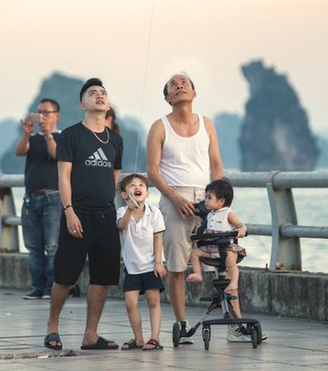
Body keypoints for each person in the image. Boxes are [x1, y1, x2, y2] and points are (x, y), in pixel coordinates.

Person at [146, 72, 227, 344]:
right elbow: (152, 172)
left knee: (222, 257)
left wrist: (218, 199)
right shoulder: (159, 127)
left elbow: (216, 163)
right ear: (168, 97)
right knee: (178, 265)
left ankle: (233, 322)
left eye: (184, 83)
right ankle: (182, 323)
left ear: (194, 93)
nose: (179, 85)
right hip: (174, 200)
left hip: (207, 198)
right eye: (172, 84)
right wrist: (173, 197)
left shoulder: (207, 124)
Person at [44, 78, 124, 351]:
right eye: (93, 93)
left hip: (106, 216)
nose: (100, 96)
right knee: (65, 276)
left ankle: (91, 335)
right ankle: (52, 328)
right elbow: (63, 177)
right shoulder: (71, 135)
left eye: (103, 92)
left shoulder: (115, 139)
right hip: (78, 214)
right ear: (83, 104)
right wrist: (69, 211)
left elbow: (114, 179)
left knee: (102, 278)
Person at [15, 98, 61, 300]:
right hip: (30, 199)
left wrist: (48, 135)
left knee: (52, 245)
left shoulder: (62, 137)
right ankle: (37, 286)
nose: (43, 116)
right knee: (33, 247)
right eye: (39, 112)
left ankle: (52, 287)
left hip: (52, 197)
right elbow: (19, 151)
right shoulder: (32, 139)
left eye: (47, 112)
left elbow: (57, 155)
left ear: (56, 115)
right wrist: (26, 134)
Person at [116, 173, 166, 351]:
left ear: (147, 193)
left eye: (141, 186)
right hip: (132, 267)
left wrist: (159, 263)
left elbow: (158, 237)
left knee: (153, 301)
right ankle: (138, 339)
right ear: (124, 195)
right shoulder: (122, 212)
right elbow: (121, 226)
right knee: (130, 303)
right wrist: (130, 210)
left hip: (150, 265)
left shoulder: (154, 213)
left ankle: (155, 338)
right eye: (131, 185)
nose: (137, 188)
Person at [186, 179, 246, 318]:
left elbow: (239, 224)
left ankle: (234, 282)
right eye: (205, 197)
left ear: (221, 201)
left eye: (209, 198)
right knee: (194, 253)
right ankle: (198, 274)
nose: (205, 201)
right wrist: (197, 236)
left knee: (230, 261)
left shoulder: (227, 213)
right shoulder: (210, 215)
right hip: (212, 248)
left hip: (227, 247)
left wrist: (241, 229)